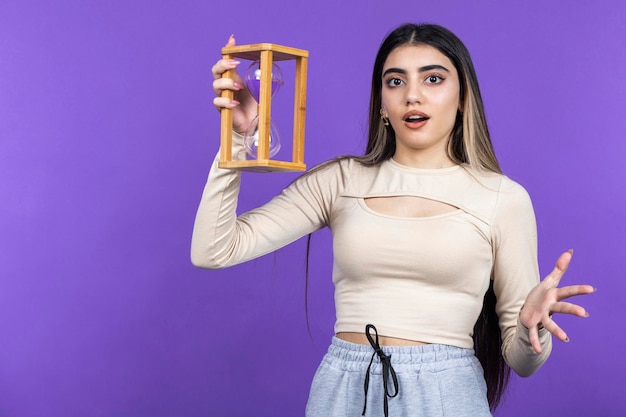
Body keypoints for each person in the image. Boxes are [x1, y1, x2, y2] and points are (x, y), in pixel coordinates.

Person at [192, 23, 595, 417]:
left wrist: (532, 327)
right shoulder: (341, 180)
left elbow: (523, 363)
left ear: (462, 96)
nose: (412, 96)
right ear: (381, 101)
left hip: (445, 394)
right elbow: (215, 250)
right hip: (342, 390)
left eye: (433, 79)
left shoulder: (502, 198)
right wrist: (238, 138)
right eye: (396, 81)